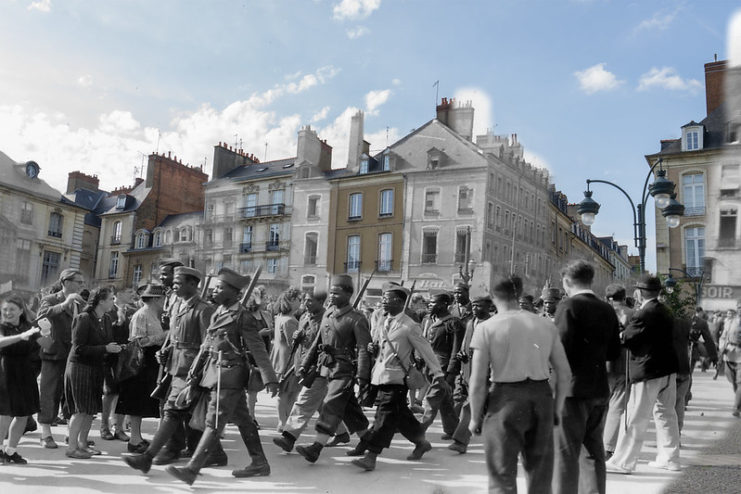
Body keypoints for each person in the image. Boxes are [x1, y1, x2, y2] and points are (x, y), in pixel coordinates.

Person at [165, 268, 279, 485]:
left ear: (234, 292)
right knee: (244, 420)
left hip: (231, 375)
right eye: (215, 286)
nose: (214, 290)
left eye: (219, 287)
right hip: (214, 373)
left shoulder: (242, 316)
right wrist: (193, 375)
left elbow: (258, 349)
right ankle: (259, 462)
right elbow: (206, 347)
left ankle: (192, 469)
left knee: (214, 420)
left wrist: (269, 378)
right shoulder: (218, 312)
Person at [468, 276, 571, 494]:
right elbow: (564, 373)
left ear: (492, 296)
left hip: (504, 400)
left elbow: (477, 381)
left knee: (501, 474)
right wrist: (557, 408)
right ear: (519, 294)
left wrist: (475, 417)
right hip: (541, 397)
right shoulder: (544, 324)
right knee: (540, 474)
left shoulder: (487, 328)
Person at [123, 266, 216, 472]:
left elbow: (208, 344)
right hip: (175, 367)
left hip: (191, 370)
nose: (174, 286)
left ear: (193, 284)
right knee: (179, 412)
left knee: (173, 411)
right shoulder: (179, 307)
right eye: (173, 282)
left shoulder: (204, 309)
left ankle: (147, 457)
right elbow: (174, 337)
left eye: (178, 282)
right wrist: (165, 351)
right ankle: (212, 453)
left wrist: (196, 374)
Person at [351, 283, 441, 471]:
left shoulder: (410, 326)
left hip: (398, 378)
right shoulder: (383, 321)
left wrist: (438, 373)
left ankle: (371, 455)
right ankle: (421, 442)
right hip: (380, 375)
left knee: (384, 415)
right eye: (383, 298)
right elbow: (380, 346)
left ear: (400, 302)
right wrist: (373, 349)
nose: (383, 302)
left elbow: (426, 350)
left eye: (388, 299)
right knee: (400, 415)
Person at [552, 260, 621, 494]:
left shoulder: (568, 306)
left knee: (565, 454)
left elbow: (558, 351)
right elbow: (614, 352)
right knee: (593, 452)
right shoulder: (607, 308)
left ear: (567, 281)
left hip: (571, 391)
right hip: (599, 389)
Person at [606, 275, 681, 474]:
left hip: (648, 371)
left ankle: (623, 462)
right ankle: (670, 458)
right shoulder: (666, 311)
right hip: (667, 371)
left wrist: (620, 330)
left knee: (635, 417)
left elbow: (627, 338)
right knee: (666, 415)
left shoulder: (643, 313)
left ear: (639, 292)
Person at [294, 274, 372, 464]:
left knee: (330, 404)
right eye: (331, 293)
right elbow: (318, 342)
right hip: (326, 367)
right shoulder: (328, 314)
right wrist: (306, 364)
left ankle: (316, 448)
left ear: (348, 294)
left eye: (336, 293)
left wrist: (362, 376)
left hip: (345, 369)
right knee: (349, 410)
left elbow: (363, 349)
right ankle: (369, 442)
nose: (331, 297)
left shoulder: (357, 318)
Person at [64, 287, 122, 459]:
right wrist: (106, 348)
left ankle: (83, 444)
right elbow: (78, 348)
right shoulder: (83, 318)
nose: (114, 302)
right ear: (101, 301)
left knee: (90, 410)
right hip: (79, 368)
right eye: (111, 298)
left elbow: (106, 343)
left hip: (96, 367)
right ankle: (72, 447)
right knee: (81, 410)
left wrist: (117, 348)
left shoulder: (105, 318)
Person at [37, 268, 86, 449]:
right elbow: (41, 317)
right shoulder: (51, 299)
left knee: (70, 394)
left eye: (82, 282)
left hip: (73, 355)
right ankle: (45, 433)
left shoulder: (80, 303)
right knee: (49, 392)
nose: (82, 286)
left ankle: (70, 433)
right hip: (53, 352)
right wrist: (65, 304)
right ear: (65, 282)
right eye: (78, 282)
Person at [116, 284, 167, 453]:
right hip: (140, 362)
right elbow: (138, 341)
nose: (164, 300)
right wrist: (163, 336)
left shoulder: (153, 314)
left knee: (142, 401)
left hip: (149, 362)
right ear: (156, 299)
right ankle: (134, 439)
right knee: (136, 402)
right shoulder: (142, 314)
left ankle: (137, 437)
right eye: (162, 298)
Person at [448, 292, 493, 454]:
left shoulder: (493, 325)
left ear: (490, 307)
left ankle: (460, 441)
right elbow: (464, 344)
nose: (475, 308)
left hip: (486, 373)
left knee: (470, 407)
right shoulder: (470, 323)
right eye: (473, 305)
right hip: (467, 371)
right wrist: (461, 354)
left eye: (479, 305)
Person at [0, 295, 42, 464]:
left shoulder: (28, 326)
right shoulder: (2, 326)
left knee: (23, 414)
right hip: (6, 371)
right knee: (4, 414)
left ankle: (11, 451)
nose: (7, 312)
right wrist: (22, 336)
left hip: (25, 372)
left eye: (11, 309)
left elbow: (48, 346)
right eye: (5, 309)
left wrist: (45, 332)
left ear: (20, 311)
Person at [421, 292, 463, 439]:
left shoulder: (453, 323)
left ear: (444, 305)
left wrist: (451, 371)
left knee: (432, 399)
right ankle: (454, 430)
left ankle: (418, 431)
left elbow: (456, 349)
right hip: (430, 366)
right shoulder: (430, 320)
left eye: (433, 303)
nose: (430, 305)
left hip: (443, 368)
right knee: (444, 400)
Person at [602, 283, 634, 459]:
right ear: (624, 296)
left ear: (608, 298)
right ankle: (607, 447)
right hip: (624, 365)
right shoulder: (632, 314)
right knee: (616, 406)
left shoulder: (600, 312)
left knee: (601, 405)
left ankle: (595, 442)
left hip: (601, 364)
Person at [100, 288, 134, 442]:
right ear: (118, 294)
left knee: (123, 393)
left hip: (126, 357)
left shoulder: (133, 310)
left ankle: (118, 427)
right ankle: (104, 426)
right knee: (109, 392)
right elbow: (105, 333)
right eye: (129, 291)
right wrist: (118, 321)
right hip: (110, 356)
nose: (132, 294)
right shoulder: (108, 311)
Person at [271, 288, 301, 432]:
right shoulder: (290, 320)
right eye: (298, 299)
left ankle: (283, 421)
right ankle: (283, 421)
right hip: (288, 361)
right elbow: (292, 344)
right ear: (291, 301)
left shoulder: (280, 317)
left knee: (286, 394)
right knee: (287, 394)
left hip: (279, 359)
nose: (300, 302)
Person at [719, 301, 741, 417]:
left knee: (740, 383)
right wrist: (722, 348)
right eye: (739, 307)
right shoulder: (730, 322)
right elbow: (723, 337)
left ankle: (736, 407)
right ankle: (739, 401)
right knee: (733, 382)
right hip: (730, 354)